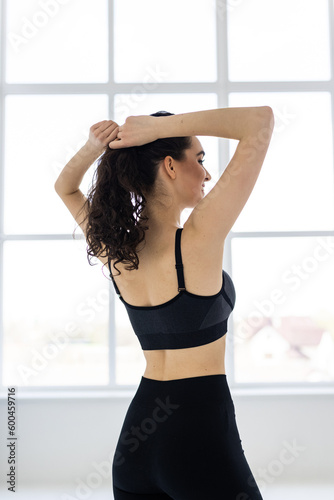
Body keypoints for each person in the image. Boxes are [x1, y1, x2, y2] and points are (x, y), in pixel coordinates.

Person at [54, 106, 274, 499]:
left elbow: (65, 188)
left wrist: (93, 146)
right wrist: (161, 127)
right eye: (200, 159)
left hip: (136, 445)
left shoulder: (117, 250)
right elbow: (260, 122)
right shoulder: (199, 236)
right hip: (199, 439)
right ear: (170, 167)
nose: (207, 173)